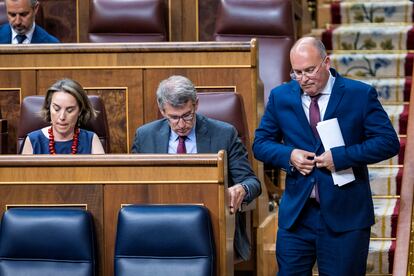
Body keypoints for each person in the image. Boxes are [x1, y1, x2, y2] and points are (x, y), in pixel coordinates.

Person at [253, 37, 400, 275]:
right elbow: (260, 144)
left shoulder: (359, 95)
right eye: (297, 73)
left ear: (326, 62)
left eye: (310, 70)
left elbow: (388, 143)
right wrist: (289, 155)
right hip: (297, 216)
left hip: (346, 215)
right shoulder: (281, 97)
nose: (303, 79)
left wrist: (341, 157)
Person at [132, 75, 261, 261]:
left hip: (208, 223)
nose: (182, 125)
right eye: (173, 118)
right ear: (162, 111)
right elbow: (133, 186)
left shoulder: (224, 134)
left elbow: (253, 183)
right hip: (160, 221)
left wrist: (241, 188)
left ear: (196, 104)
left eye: (187, 115)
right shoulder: (145, 136)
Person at [21, 78, 105, 154]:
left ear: (80, 111)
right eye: (56, 109)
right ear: (49, 107)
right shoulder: (33, 141)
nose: (62, 117)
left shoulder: (91, 140)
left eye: (69, 110)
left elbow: (102, 171)